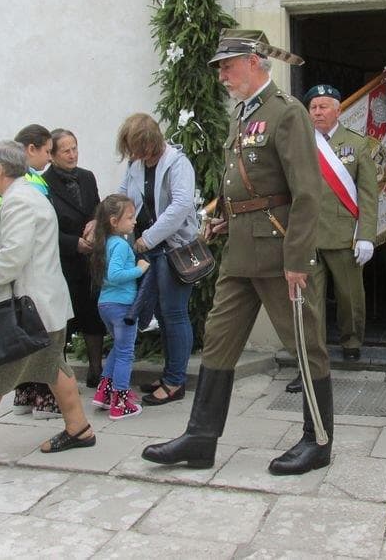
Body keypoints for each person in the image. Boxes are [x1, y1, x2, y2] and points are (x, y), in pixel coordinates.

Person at [141, 29, 332, 476]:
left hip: (280, 253)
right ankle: (200, 438)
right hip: (241, 252)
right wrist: (229, 216)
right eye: (220, 67)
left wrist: (297, 259)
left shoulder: (287, 114)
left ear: (254, 62)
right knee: (219, 342)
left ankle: (318, 440)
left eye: (227, 65)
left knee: (305, 347)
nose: (222, 74)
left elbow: (307, 193)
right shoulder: (244, 116)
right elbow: (251, 183)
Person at [0, 141, 96, 464]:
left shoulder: (19, 202)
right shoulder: (25, 196)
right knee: (53, 367)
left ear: (0, 170)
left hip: (26, 311)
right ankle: (79, 429)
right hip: (42, 308)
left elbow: (12, 258)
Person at [116, 113, 199, 406]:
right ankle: (169, 374)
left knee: (174, 312)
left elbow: (180, 206)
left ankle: (176, 382)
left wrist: (148, 237)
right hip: (149, 249)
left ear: (151, 142)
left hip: (173, 247)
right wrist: (106, 221)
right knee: (162, 315)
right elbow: (124, 197)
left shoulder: (178, 164)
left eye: (139, 148)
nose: (135, 155)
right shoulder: (136, 164)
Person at [300, 84, 378, 371]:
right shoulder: (301, 143)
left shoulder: (357, 144)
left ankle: (352, 341)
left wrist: (367, 235)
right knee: (312, 299)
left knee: (349, 296)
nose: (317, 112)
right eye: (313, 107)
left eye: (323, 106)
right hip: (308, 235)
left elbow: (368, 194)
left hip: (344, 234)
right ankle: (315, 349)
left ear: (338, 110)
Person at [43, 129, 106, 388]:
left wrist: (96, 221)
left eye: (75, 148)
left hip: (89, 261)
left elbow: (97, 207)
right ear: (53, 155)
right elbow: (44, 228)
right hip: (63, 261)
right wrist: (72, 243)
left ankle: (96, 370)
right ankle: (62, 378)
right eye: (66, 151)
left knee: (93, 316)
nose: (72, 155)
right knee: (63, 321)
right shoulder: (44, 184)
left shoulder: (87, 177)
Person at [10, 125, 63, 420]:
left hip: (29, 275)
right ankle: (45, 400)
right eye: (47, 150)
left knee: (30, 337)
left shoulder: (17, 180)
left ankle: (26, 394)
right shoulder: (30, 182)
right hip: (36, 273)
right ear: (31, 149)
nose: (50, 157)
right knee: (45, 340)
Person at [89, 194, 150, 420]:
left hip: (106, 304)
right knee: (126, 353)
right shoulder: (122, 245)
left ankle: (104, 392)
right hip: (122, 307)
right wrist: (140, 269)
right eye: (130, 217)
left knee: (118, 348)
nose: (134, 221)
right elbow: (114, 275)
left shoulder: (105, 243)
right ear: (114, 222)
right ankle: (120, 402)